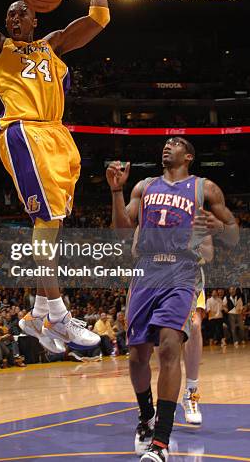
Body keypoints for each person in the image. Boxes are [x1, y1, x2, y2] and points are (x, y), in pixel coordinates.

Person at [0, 0, 109, 352]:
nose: (14, 15)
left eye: (20, 11)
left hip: (58, 136)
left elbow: (99, 17)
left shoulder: (54, 44)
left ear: (36, 17)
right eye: (9, 13)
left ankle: (38, 314)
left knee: (52, 225)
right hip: (23, 131)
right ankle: (59, 315)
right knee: (44, 226)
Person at [107, 136, 239, 461]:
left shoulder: (205, 189)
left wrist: (220, 228)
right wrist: (116, 191)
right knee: (137, 356)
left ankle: (160, 444)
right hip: (146, 271)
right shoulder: (144, 186)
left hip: (182, 271)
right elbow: (120, 233)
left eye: (176, 142)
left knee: (169, 347)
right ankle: (145, 418)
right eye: (166, 142)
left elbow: (234, 234)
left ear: (189, 156)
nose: (168, 145)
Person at [181, 235, 213, 425]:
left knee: (194, 325)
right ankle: (163, 399)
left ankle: (191, 393)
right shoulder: (153, 208)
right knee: (161, 334)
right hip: (160, 272)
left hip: (189, 273)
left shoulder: (198, 216)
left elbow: (208, 254)